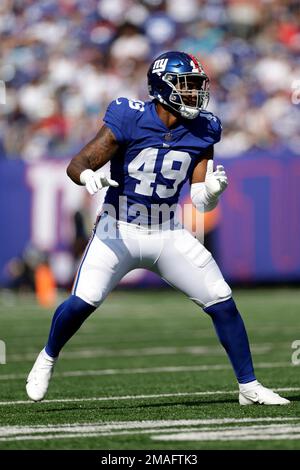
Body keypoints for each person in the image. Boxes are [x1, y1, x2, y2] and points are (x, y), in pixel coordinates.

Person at [26, 51, 289, 405]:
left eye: (197, 86)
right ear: (162, 87)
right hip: (117, 228)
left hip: (168, 231)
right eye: (188, 86)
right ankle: (47, 358)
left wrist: (210, 192)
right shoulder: (129, 117)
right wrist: (87, 175)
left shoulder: (203, 129)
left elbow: (199, 200)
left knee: (221, 301)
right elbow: (80, 162)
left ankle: (249, 387)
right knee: (82, 302)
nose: (195, 94)